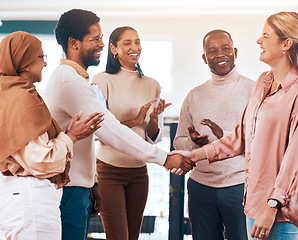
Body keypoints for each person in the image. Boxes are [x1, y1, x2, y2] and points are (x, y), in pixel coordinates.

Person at [44, 9, 194, 240]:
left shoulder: (75, 79)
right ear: (74, 43)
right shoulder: (70, 81)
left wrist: (92, 182)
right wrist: (164, 158)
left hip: (80, 185)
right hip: (69, 189)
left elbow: (91, 139)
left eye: (101, 37)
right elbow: (110, 130)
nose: (102, 44)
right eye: (95, 38)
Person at [174, 12, 298, 240]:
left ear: (286, 44)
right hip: (253, 205)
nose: (259, 41)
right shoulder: (263, 82)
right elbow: (241, 137)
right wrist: (194, 154)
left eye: (265, 36)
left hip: (277, 212)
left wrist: (272, 204)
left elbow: (296, 157)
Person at [0, 31, 104, 240]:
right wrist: (71, 137)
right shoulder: (21, 98)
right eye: (41, 57)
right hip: (31, 202)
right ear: (26, 61)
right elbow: (41, 160)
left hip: (18, 198)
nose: (46, 64)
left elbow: (28, 150)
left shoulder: (8, 94)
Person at [90, 26, 171, 240]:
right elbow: (100, 132)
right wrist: (134, 120)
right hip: (109, 171)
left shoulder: (152, 85)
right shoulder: (102, 81)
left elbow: (153, 138)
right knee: (118, 236)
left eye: (137, 42)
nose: (134, 47)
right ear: (114, 49)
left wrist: (152, 120)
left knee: (133, 236)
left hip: (139, 172)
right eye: (127, 43)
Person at [173, 29, 254, 240]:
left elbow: (257, 139)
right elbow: (178, 141)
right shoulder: (194, 95)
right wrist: (194, 143)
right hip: (201, 187)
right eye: (212, 50)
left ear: (235, 51)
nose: (220, 54)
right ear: (204, 57)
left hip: (240, 185)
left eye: (226, 48)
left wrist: (222, 135)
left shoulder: (253, 91)